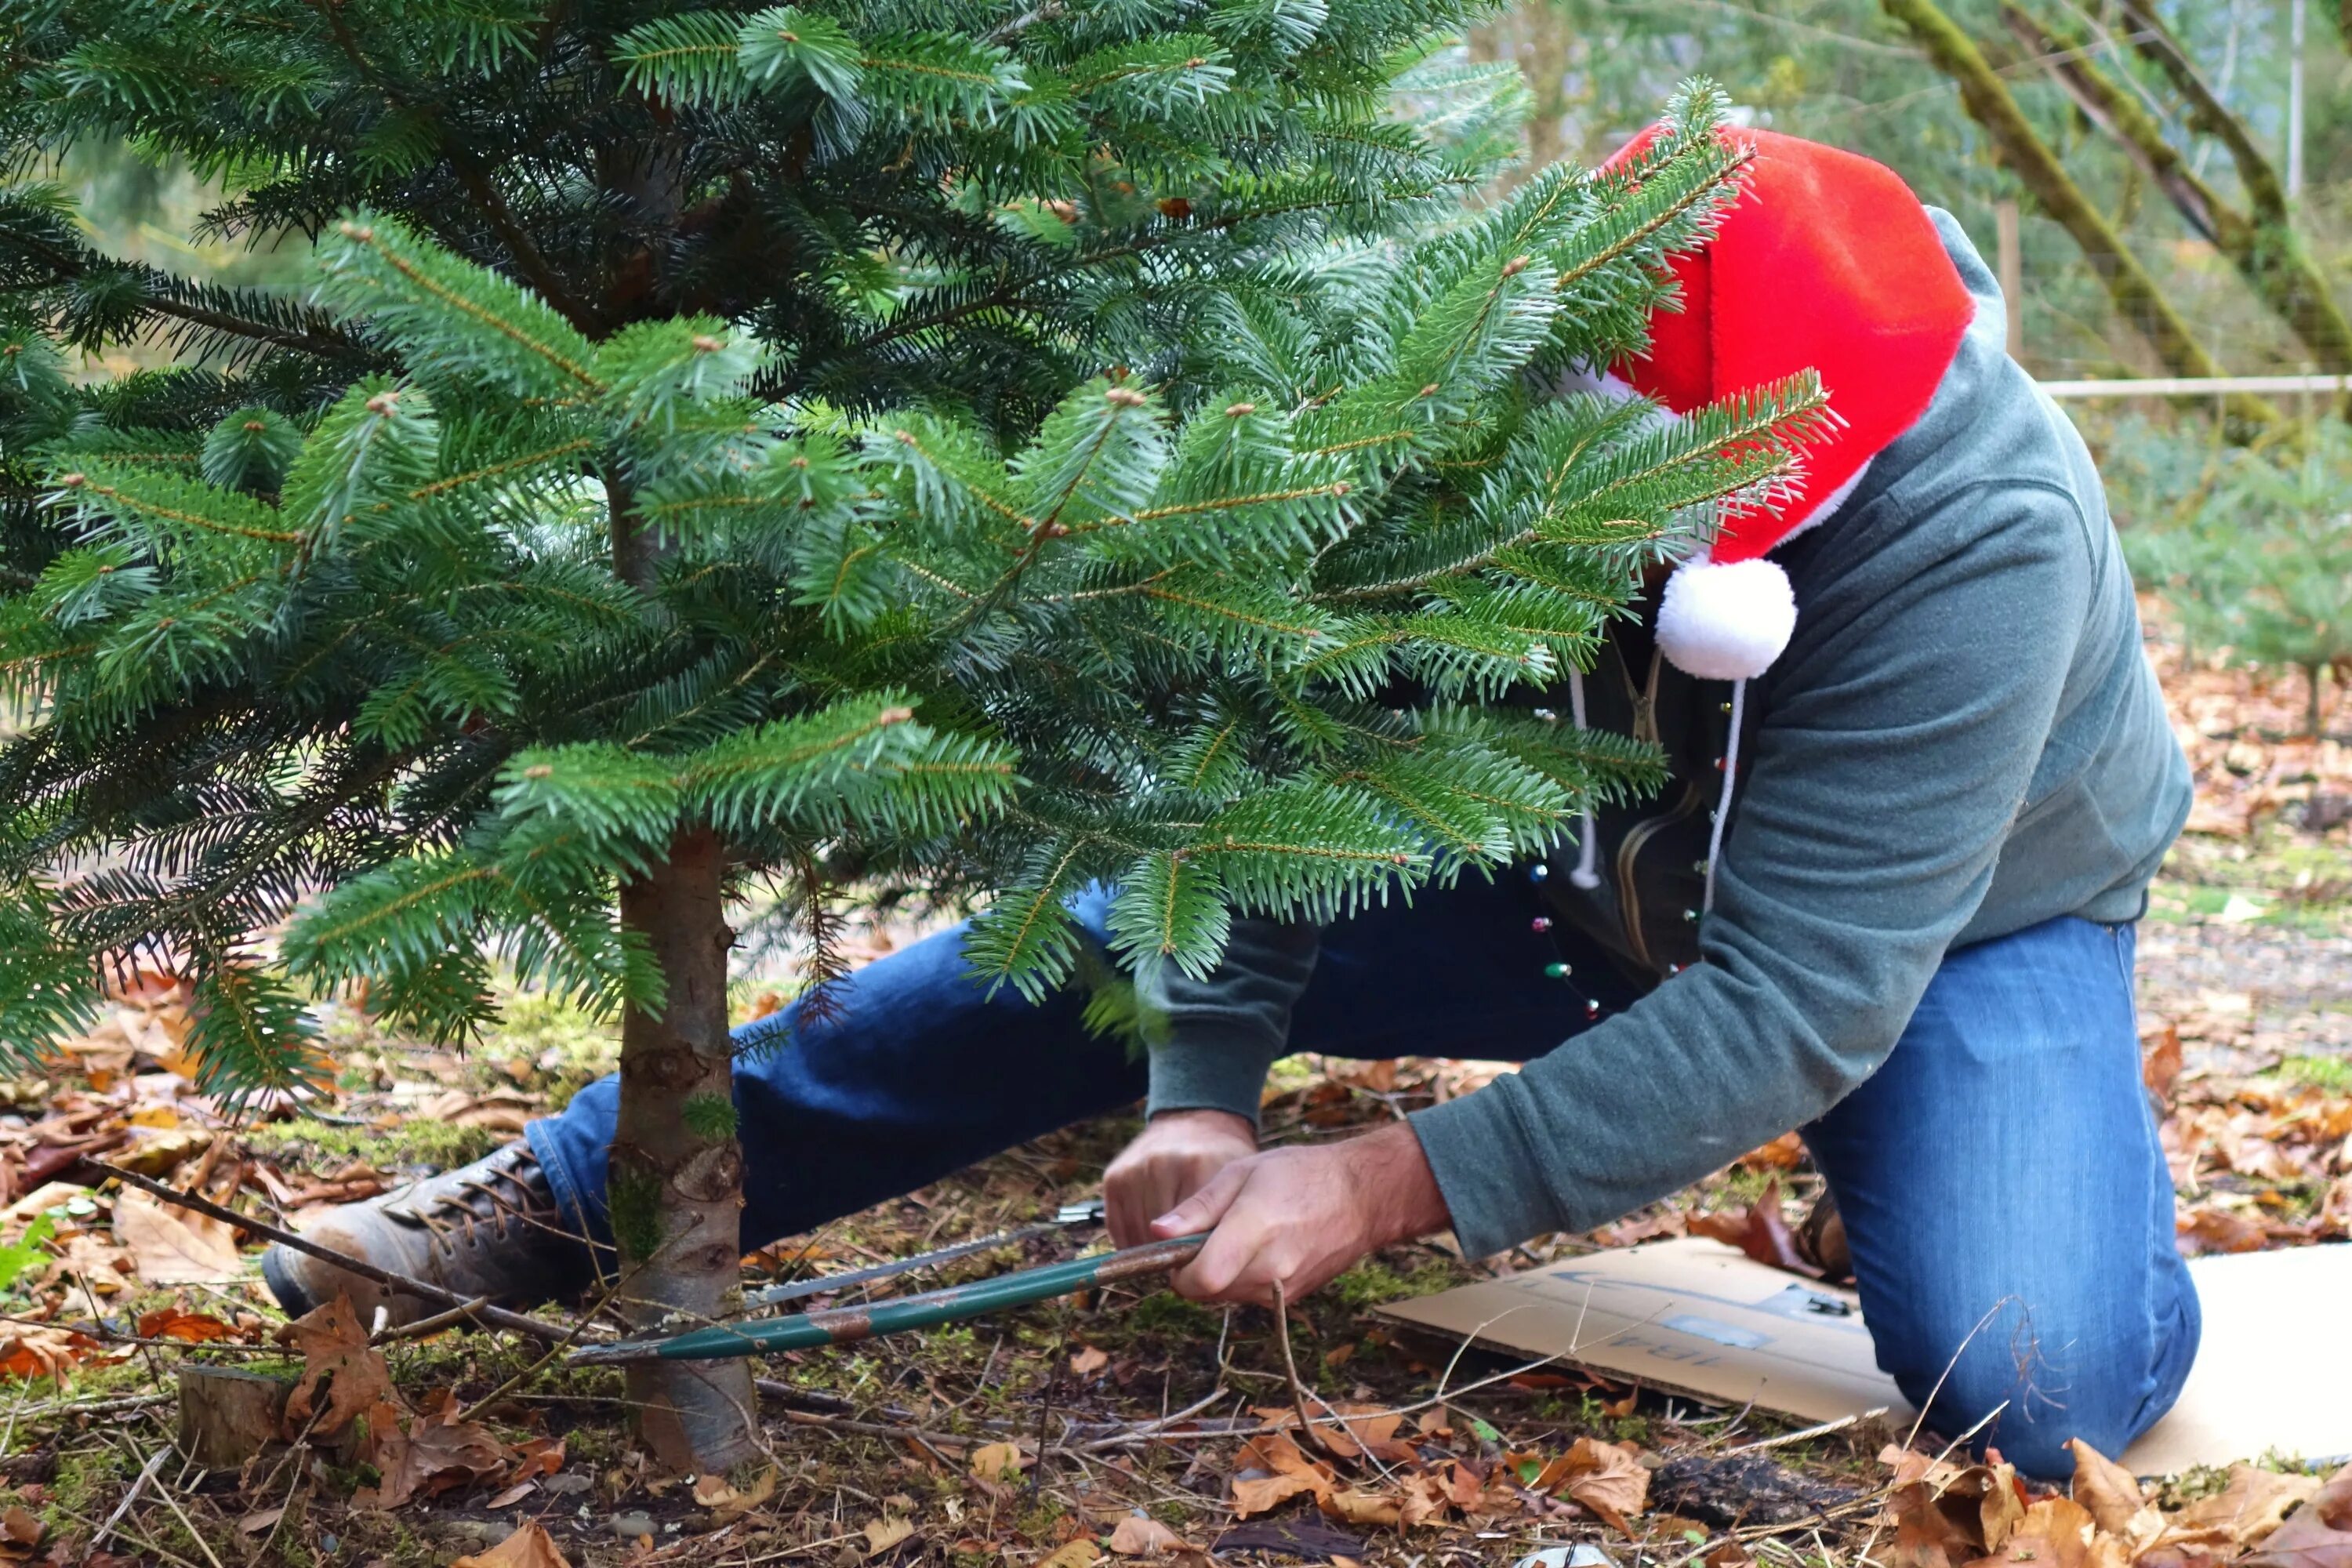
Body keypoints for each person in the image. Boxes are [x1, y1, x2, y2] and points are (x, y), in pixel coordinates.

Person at [263, 129, 2198, 1479]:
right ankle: (549, 1202)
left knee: (2041, 1383)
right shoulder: (1501, 385)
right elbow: (1304, 761)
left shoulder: (1983, 532)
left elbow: (1795, 991)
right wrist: (1203, 1078)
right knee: (1106, 946)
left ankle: (1964, 1149)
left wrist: (1373, 1185)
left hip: (1948, 933)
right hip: (1563, 868)